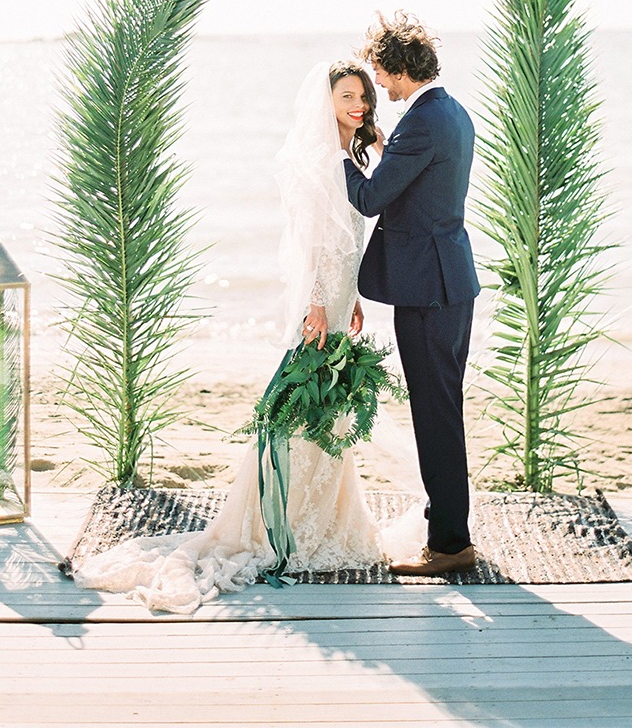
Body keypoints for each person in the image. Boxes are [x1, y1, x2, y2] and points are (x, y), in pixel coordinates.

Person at [72, 60, 395, 613]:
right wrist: (317, 302)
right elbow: (312, 237)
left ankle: (323, 517)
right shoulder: (321, 160)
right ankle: (287, 524)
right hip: (322, 302)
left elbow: (344, 239)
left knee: (329, 409)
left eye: (363, 95)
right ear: (327, 102)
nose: (359, 105)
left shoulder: (348, 157)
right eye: (347, 96)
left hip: (341, 298)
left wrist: (352, 297)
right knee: (303, 409)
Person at [342, 12, 480, 577]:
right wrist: (381, 147)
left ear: (401, 68)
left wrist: (340, 154)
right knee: (442, 410)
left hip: (428, 291)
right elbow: (414, 184)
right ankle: (450, 531)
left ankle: (450, 545)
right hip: (449, 283)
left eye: (382, 76)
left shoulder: (421, 121)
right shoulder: (449, 112)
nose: (382, 88)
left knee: (435, 414)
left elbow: (372, 198)